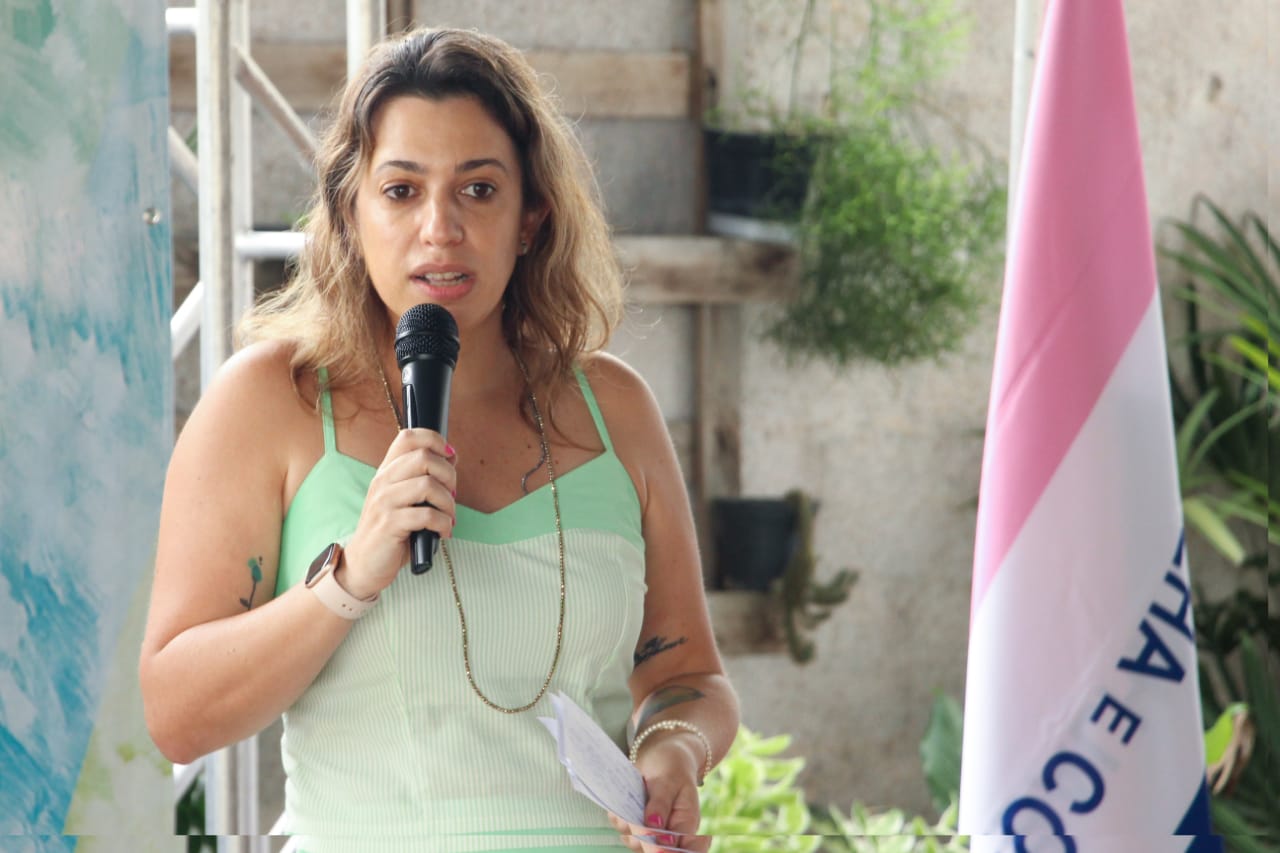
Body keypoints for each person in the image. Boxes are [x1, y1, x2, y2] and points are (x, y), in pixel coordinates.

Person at [139, 25, 739, 853]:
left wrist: (674, 748)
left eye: (479, 189)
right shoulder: (271, 402)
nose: (440, 228)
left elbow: (686, 675)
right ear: (350, 212)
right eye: (401, 190)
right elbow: (176, 713)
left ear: (531, 217)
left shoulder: (616, 409)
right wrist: (349, 575)